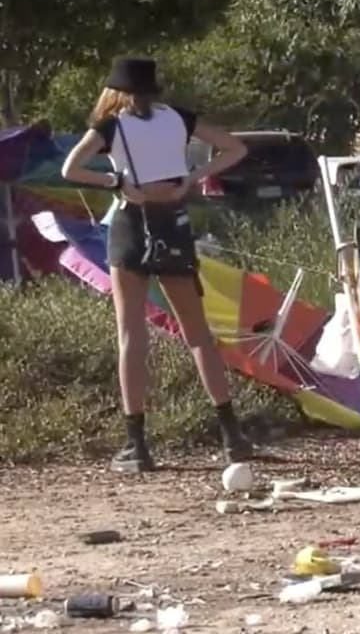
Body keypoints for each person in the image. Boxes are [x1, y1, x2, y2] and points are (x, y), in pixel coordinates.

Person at [61, 57, 252, 473]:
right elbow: (236, 147)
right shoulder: (178, 118)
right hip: (174, 224)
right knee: (198, 333)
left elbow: (70, 168)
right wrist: (195, 175)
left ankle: (137, 445)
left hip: (132, 223)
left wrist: (116, 182)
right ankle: (232, 436)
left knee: (131, 334)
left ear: (116, 90)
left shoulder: (110, 126)